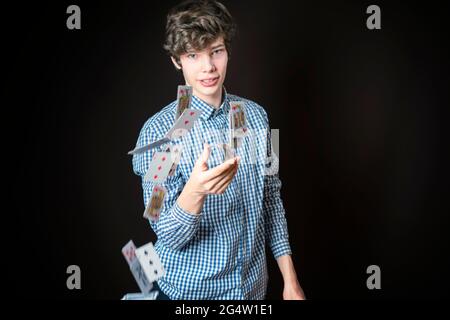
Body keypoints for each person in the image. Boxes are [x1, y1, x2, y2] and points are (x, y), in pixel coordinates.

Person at [132, 0, 305, 300]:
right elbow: (166, 234)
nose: (208, 67)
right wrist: (195, 192)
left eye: (216, 51)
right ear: (177, 60)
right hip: (188, 295)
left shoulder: (257, 117)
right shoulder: (159, 134)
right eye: (193, 55)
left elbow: (271, 198)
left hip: (251, 292)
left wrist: (290, 280)